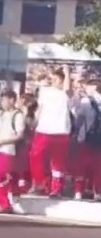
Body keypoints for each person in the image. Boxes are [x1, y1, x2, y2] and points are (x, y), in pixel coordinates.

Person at [30, 68, 72, 197]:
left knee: (58, 162)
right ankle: (39, 183)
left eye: (57, 79)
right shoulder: (45, 91)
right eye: (52, 79)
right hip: (43, 130)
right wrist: (35, 122)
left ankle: (56, 189)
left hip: (61, 132)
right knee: (35, 156)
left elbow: (67, 89)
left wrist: (67, 73)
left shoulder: (67, 94)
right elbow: (40, 108)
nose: (53, 81)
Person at [0, 89, 25, 213]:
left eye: (4, 99)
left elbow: (19, 135)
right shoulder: (1, 114)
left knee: (0, 176)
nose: (2, 102)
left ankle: (5, 204)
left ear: (12, 100)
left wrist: (3, 141)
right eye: (1, 99)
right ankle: (2, 202)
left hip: (7, 150)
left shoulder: (18, 115)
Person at [73, 79, 101, 200]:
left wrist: (76, 131)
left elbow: (78, 118)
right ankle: (97, 192)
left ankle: (78, 191)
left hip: (85, 138)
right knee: (98, 166)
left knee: (81, 166)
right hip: (99, 139)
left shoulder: (85, 101)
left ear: (94, 87)